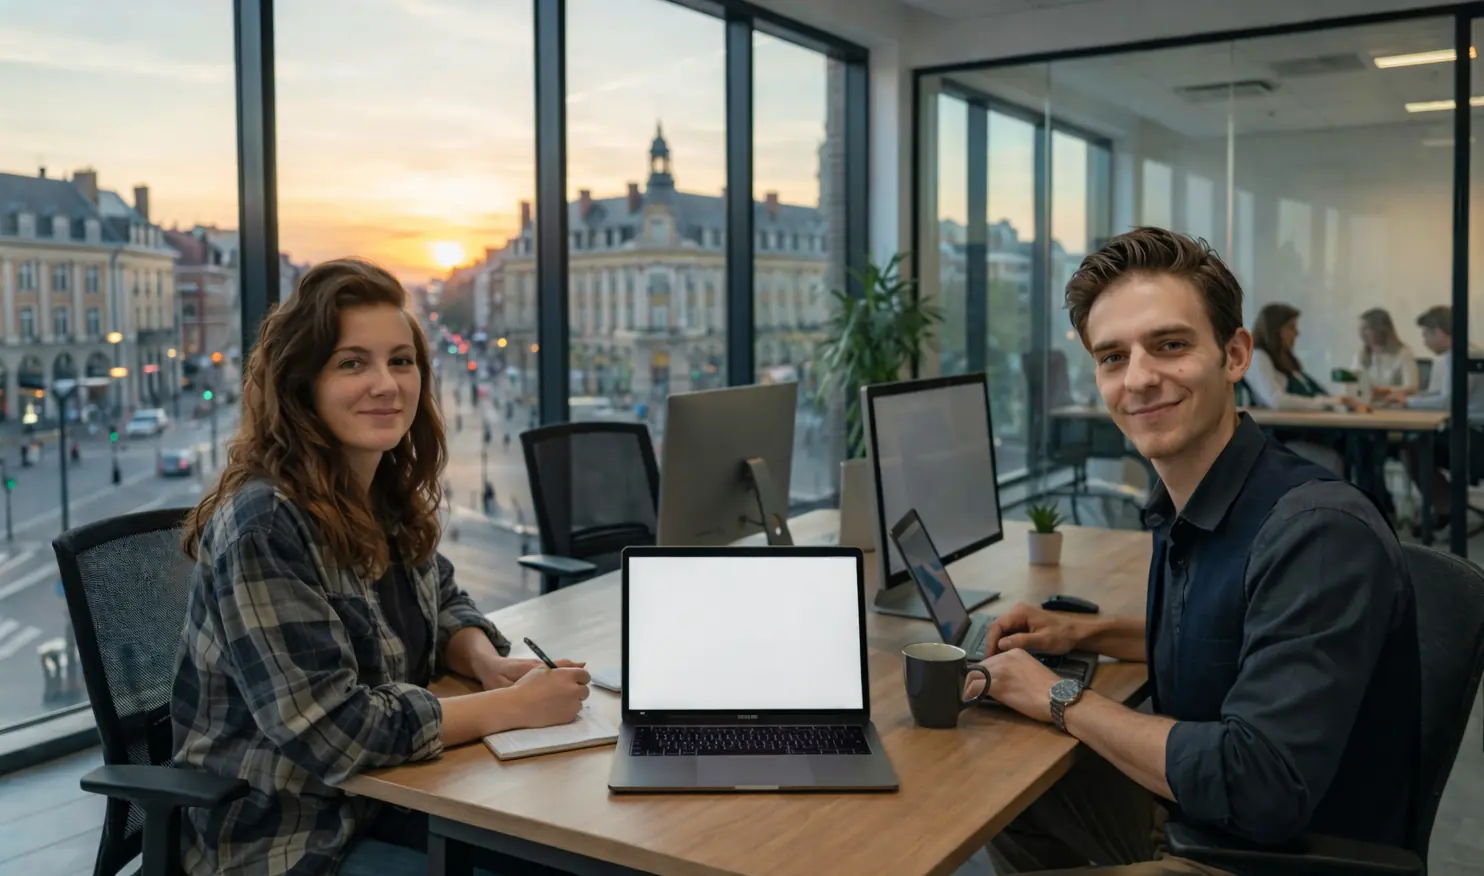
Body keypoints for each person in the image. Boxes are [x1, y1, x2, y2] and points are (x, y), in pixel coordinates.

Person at [969, 227, 1420, 875]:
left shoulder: (1317, 532)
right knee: (1011, 787)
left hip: (1266, 855)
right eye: (1112, 357)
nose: (1140, 379)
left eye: (1170, 345)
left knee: (1044, 734)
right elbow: (1224, 639)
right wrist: (1083, 630)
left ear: (1234, 354)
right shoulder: (1194, 502)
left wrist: (1058, 697)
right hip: (1201, 819)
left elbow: (1258, 786)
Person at [172, 258, 591, 876]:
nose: (386, 383)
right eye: (352, 363)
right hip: (294, 836)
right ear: (301, 384)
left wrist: (488, 663)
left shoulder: (376, 487)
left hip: (400, 796)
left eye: (401, 360)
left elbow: (443, 599)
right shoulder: (266, 524)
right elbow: (332, 731)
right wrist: (512, 709)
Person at [1393, 305, 1484, 526]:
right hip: (1474, 436)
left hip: (1474, 440)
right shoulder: (1469, 352)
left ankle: (1445, 507)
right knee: (1417, 443)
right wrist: (1416, 399)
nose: (1424, 341)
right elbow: (1444, 395)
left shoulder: (1459, 357)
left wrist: (1407, 402)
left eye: (1426, 334)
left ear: (1439, 332)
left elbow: (1447, 402)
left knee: (1413, 445)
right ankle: (1445, 505)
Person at [1247, 303, 1366, 412]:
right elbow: (1276, 401)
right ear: (1274, 330)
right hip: (1287, 431)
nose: (1297, 332)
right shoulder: (1258, 358)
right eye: (1291, 327)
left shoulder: (1288, 361)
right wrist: (1326, 402)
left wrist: (1339, 401)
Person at [1353, 307, 1419, 400]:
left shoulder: (1403, 353)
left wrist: (1385, 390)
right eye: (1360, 329)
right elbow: (1353, 382)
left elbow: (1412, 387)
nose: (1362, 334)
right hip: (1365, 405)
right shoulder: (1361, 354)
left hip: (1393, 407)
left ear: (1381, 330)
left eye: (1366, 329)